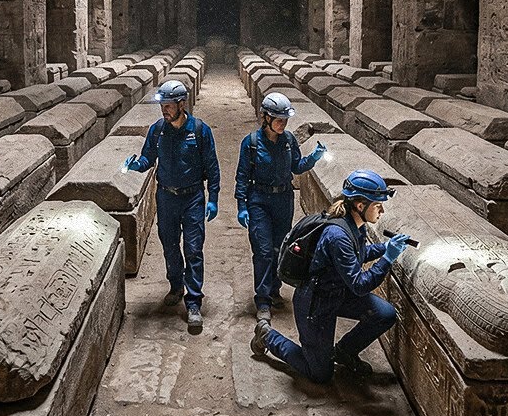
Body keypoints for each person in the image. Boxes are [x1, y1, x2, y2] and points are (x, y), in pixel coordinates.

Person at [250, 169, 411, 383]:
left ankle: (344, 352)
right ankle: (267, 336)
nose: (381, 211)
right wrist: (388, 258)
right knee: (320, 374)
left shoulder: (356, 225)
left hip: (337, 292)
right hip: (315, 303)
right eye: (378, 205)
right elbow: (359, 285)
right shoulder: (338, 236)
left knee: (385, 314)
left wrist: (385, 247)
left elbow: (357, 255)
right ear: (360, 206)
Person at [124, 79, 221, 333]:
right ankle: (176, 285)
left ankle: (194, 301)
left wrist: (214, 198)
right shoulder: (158, 130)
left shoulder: (199, 130)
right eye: (162, 106)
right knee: (169, 245)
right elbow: (148, 158)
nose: (164, 110)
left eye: (168, 106)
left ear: (181, 104)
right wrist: (137, 164)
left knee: (193, 248)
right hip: (166, 197)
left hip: (192, 198)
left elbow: (212, 167)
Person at [234, 92, 326, 322]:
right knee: (263, 251)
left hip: (283, 199)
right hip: (259, 201)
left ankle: (274, 289)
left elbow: (296, 167)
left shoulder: (289, 141)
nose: (282, 124)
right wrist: (241, 205)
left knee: (279, 248)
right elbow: (242, 176)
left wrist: (313, 158)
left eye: (284, 120)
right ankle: (263, 299)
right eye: (277, 119)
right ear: (265, 117)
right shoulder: (252, 143)